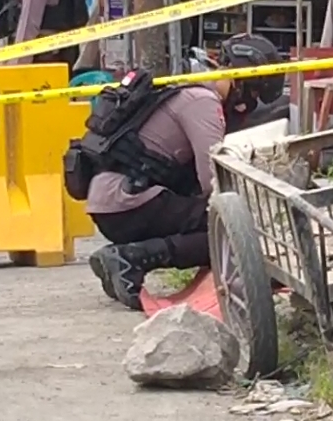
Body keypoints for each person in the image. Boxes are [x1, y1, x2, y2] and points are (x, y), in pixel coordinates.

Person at [67, 34, 285, 310]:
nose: (249, 105)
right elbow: (213, 181)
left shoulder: (186, 89)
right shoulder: (203, 102)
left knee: (217, 217)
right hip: (129, 201)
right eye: (253, 95)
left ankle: (126, 258)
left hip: (115, 201)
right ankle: (130, 259)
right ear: (244, 81)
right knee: (234, 226)